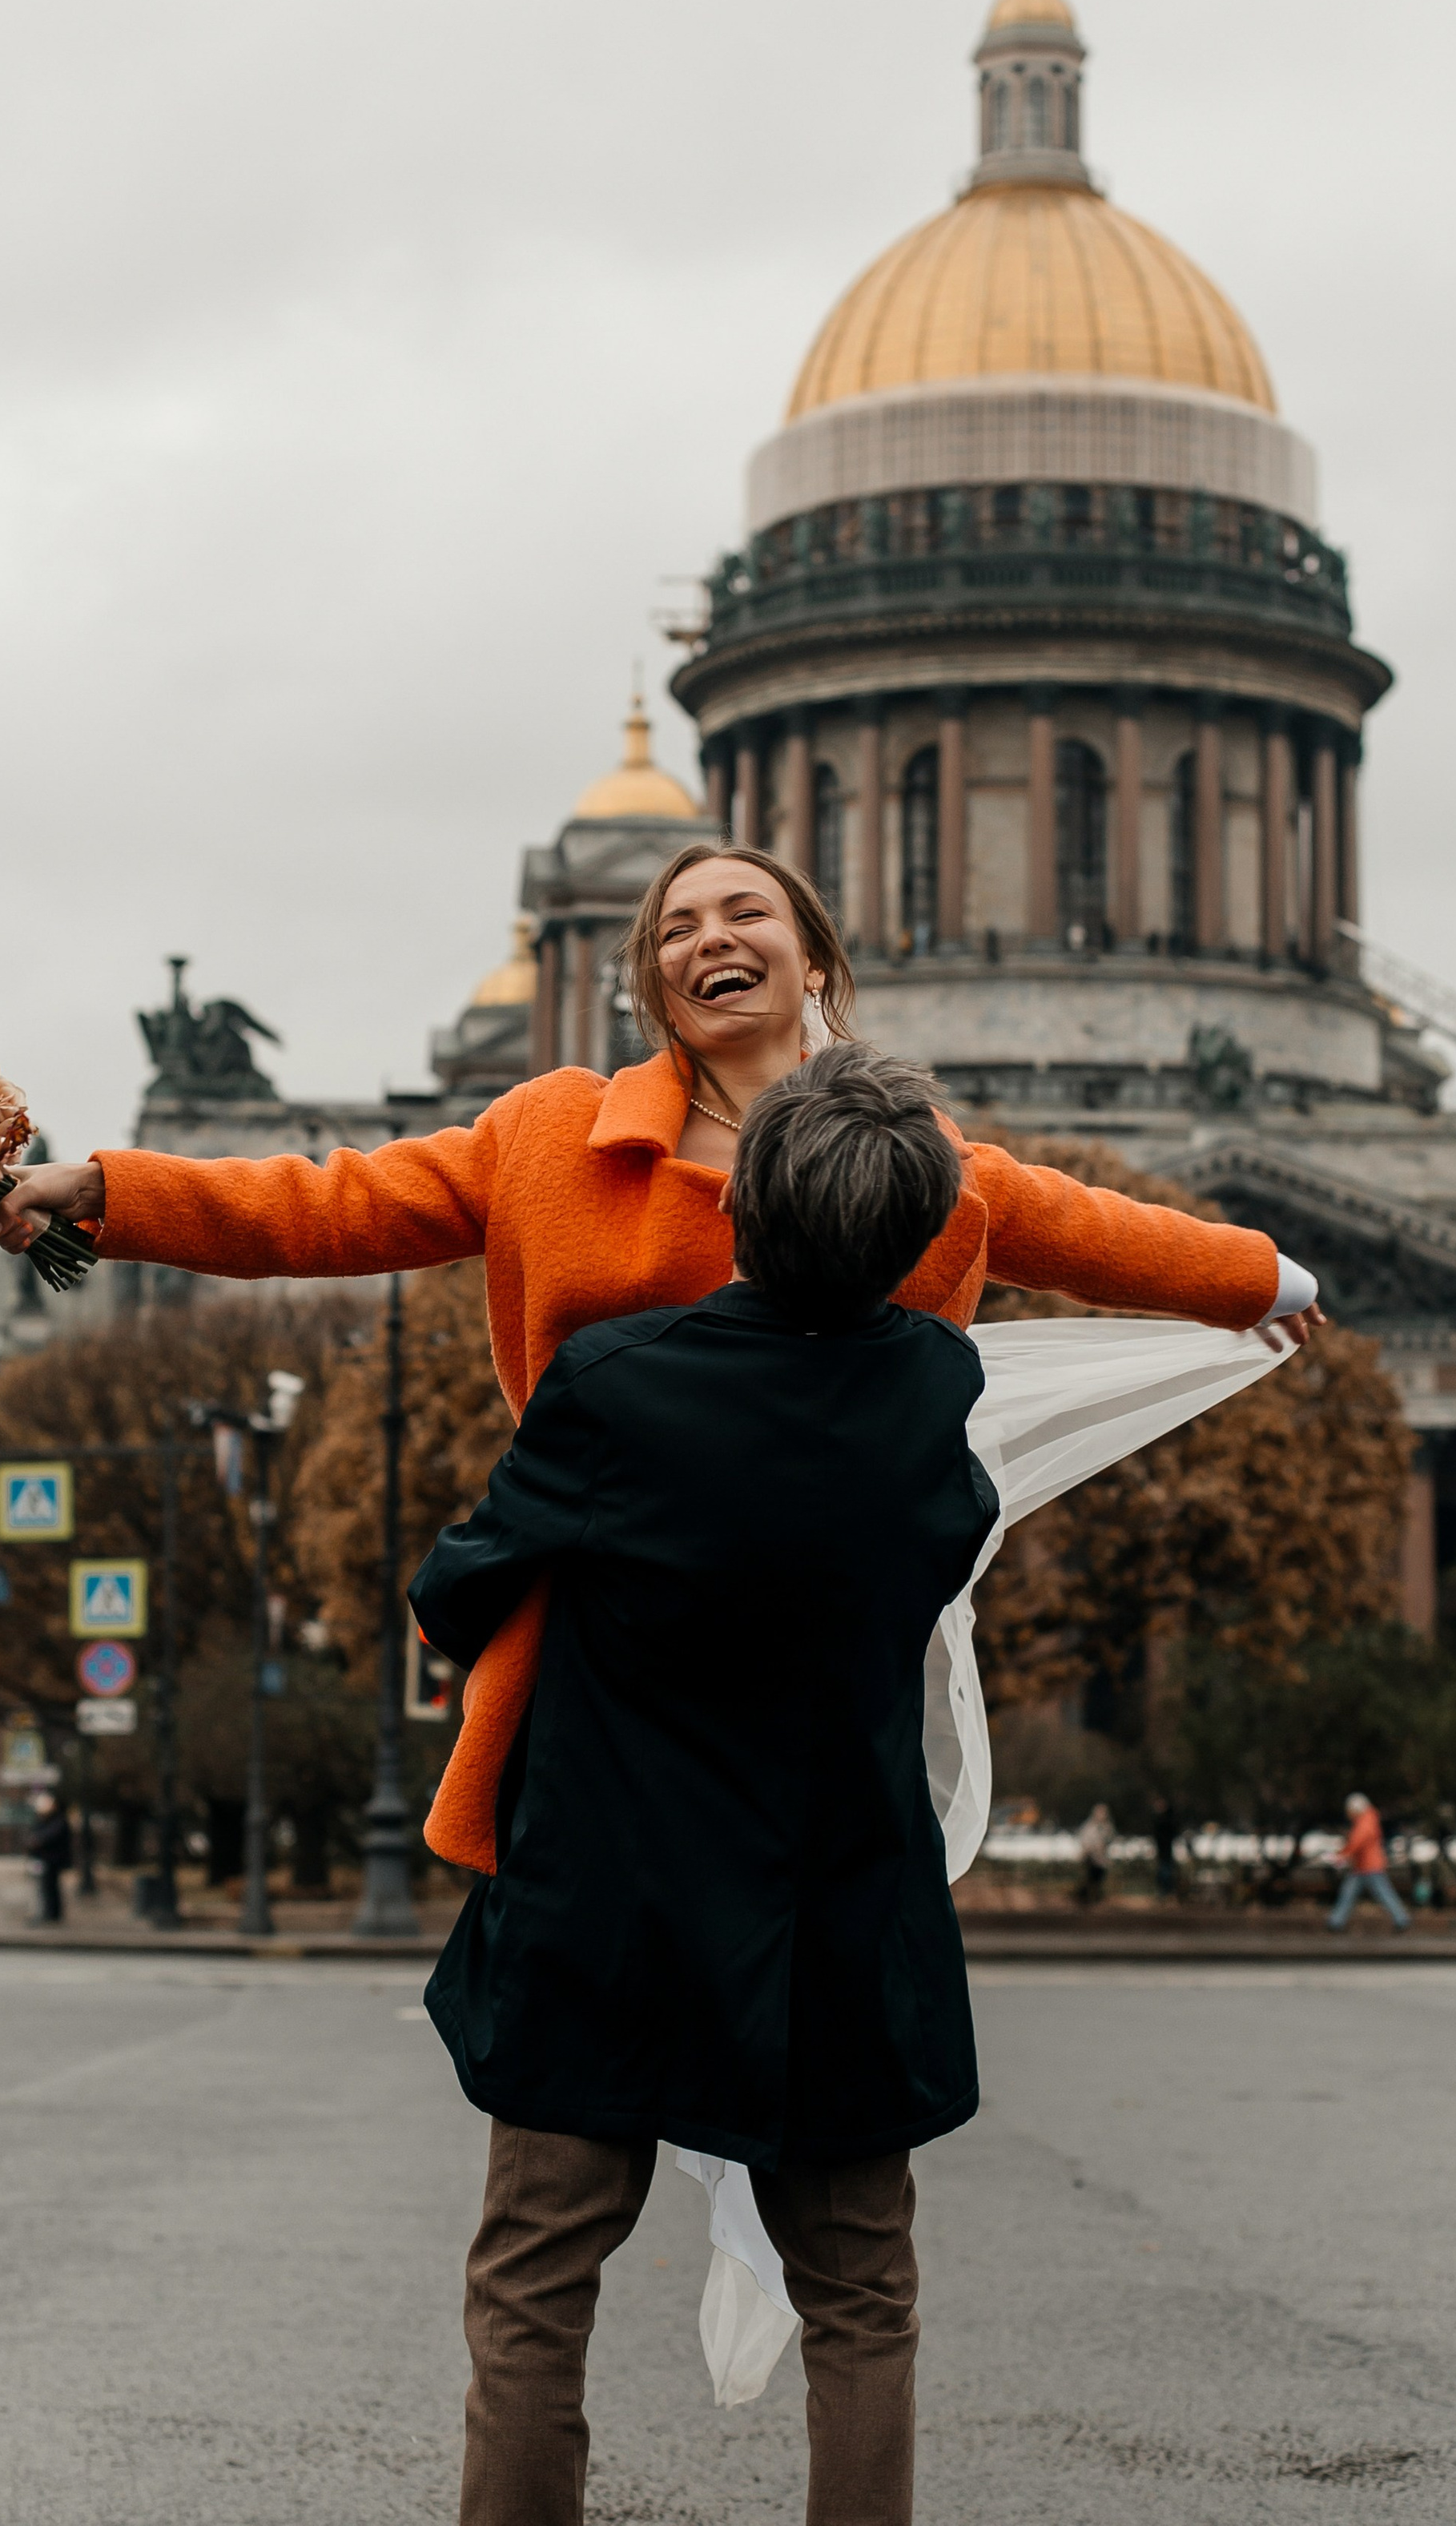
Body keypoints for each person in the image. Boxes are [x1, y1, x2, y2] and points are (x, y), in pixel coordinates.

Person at [0, 843, 1320, 1855]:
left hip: (818, 1652)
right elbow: (330, 1206)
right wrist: (102, 1189)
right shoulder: (552, 1136)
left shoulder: (910, 1157)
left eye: (745, 912)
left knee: (811, 2084)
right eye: (676, 928)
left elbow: (1080, 1226)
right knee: (574, 2082)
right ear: (653, 985)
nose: (709, 937)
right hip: (612, 1641)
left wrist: (1264, 1278)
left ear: (815, 963)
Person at [410, 1045, 991, 2526]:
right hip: (838, 1909)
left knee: (536, 2290)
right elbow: (939, 1554)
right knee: (861, 2298)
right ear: (914, 1235)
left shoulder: (616, 1384)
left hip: (609, 1903)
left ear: (734, 1205)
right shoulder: (937, 1381)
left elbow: (461, 1589)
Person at [1328, 1790, 1409, 1935]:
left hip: (1370, 1865)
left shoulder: (1366, 1821)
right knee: (1351, 1893)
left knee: (1381, 1893)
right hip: (1363, 1865)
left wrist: (1343, 1853)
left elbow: (1358, 1841)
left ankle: (1401, 1919)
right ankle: (1336, 1921)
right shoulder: (1368, 1819)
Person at [25, 1791, 73, 1925]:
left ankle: (51, 1913)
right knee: (48, 1887)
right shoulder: (50, 1820)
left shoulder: (58, 1820)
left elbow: (48, 1836)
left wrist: (37, 1841)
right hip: (47, 1859)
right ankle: (51, 1913)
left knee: (49, 1887)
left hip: (51, 1859)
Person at [1076, 1799, 1116, 1905]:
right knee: (1090, 1877)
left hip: (1101, 1858)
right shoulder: (1089, 1826)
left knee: (1099, 1878)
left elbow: (1109, 1839)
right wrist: (1088, 1850)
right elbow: (1085, 1840)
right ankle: (1088, 1897)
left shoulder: (1107, 1827)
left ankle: (1094, 1896)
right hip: (1091, 1857)